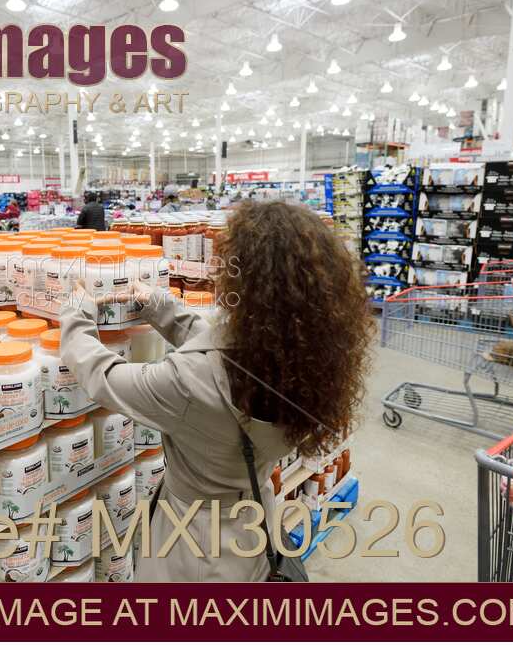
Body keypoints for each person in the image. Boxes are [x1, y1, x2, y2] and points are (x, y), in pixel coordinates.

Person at [58, 200, 374, 581]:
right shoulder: (302, 362)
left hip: (193, 545)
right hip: (252, 526)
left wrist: (77, 314)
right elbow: (226, 353)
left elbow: (103, 376)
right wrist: (160, 306)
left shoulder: (190, 382)